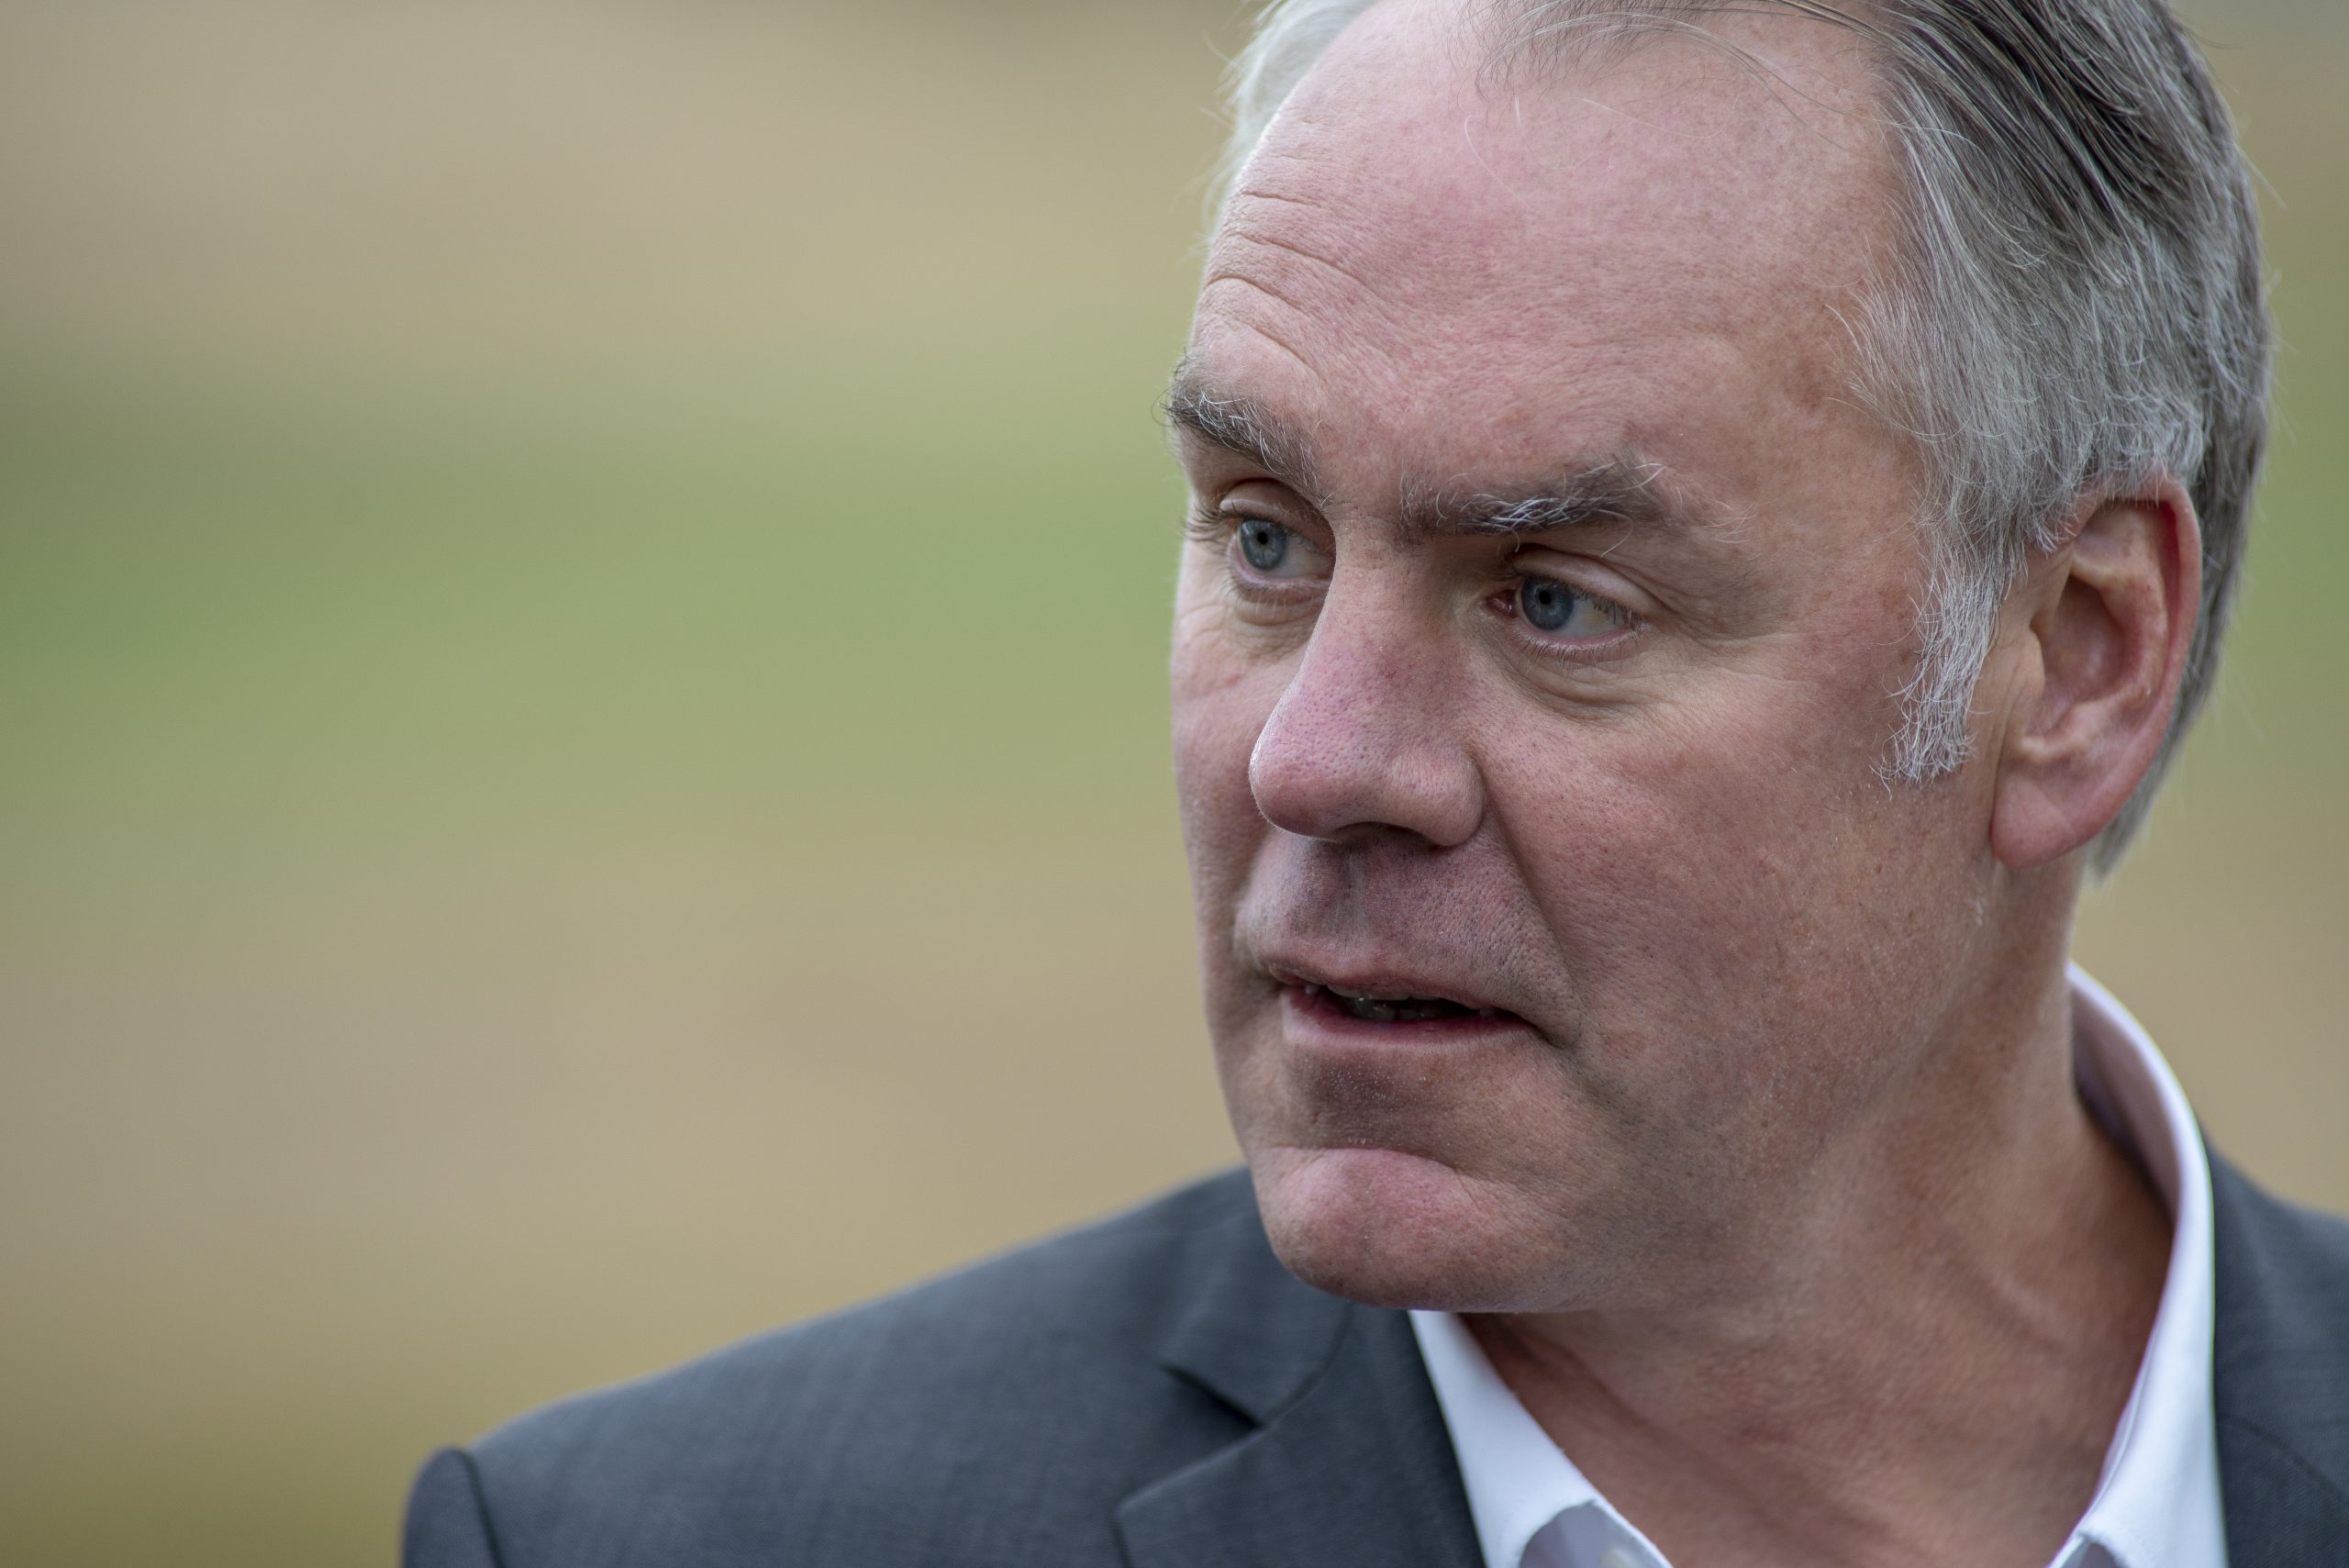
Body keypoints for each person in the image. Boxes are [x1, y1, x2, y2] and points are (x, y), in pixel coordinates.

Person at [403, 2, 2347, 1564]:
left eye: (1556, 599)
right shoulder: (667, 1535)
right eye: (1261, 540)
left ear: (2072, 657)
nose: (1313, 759)